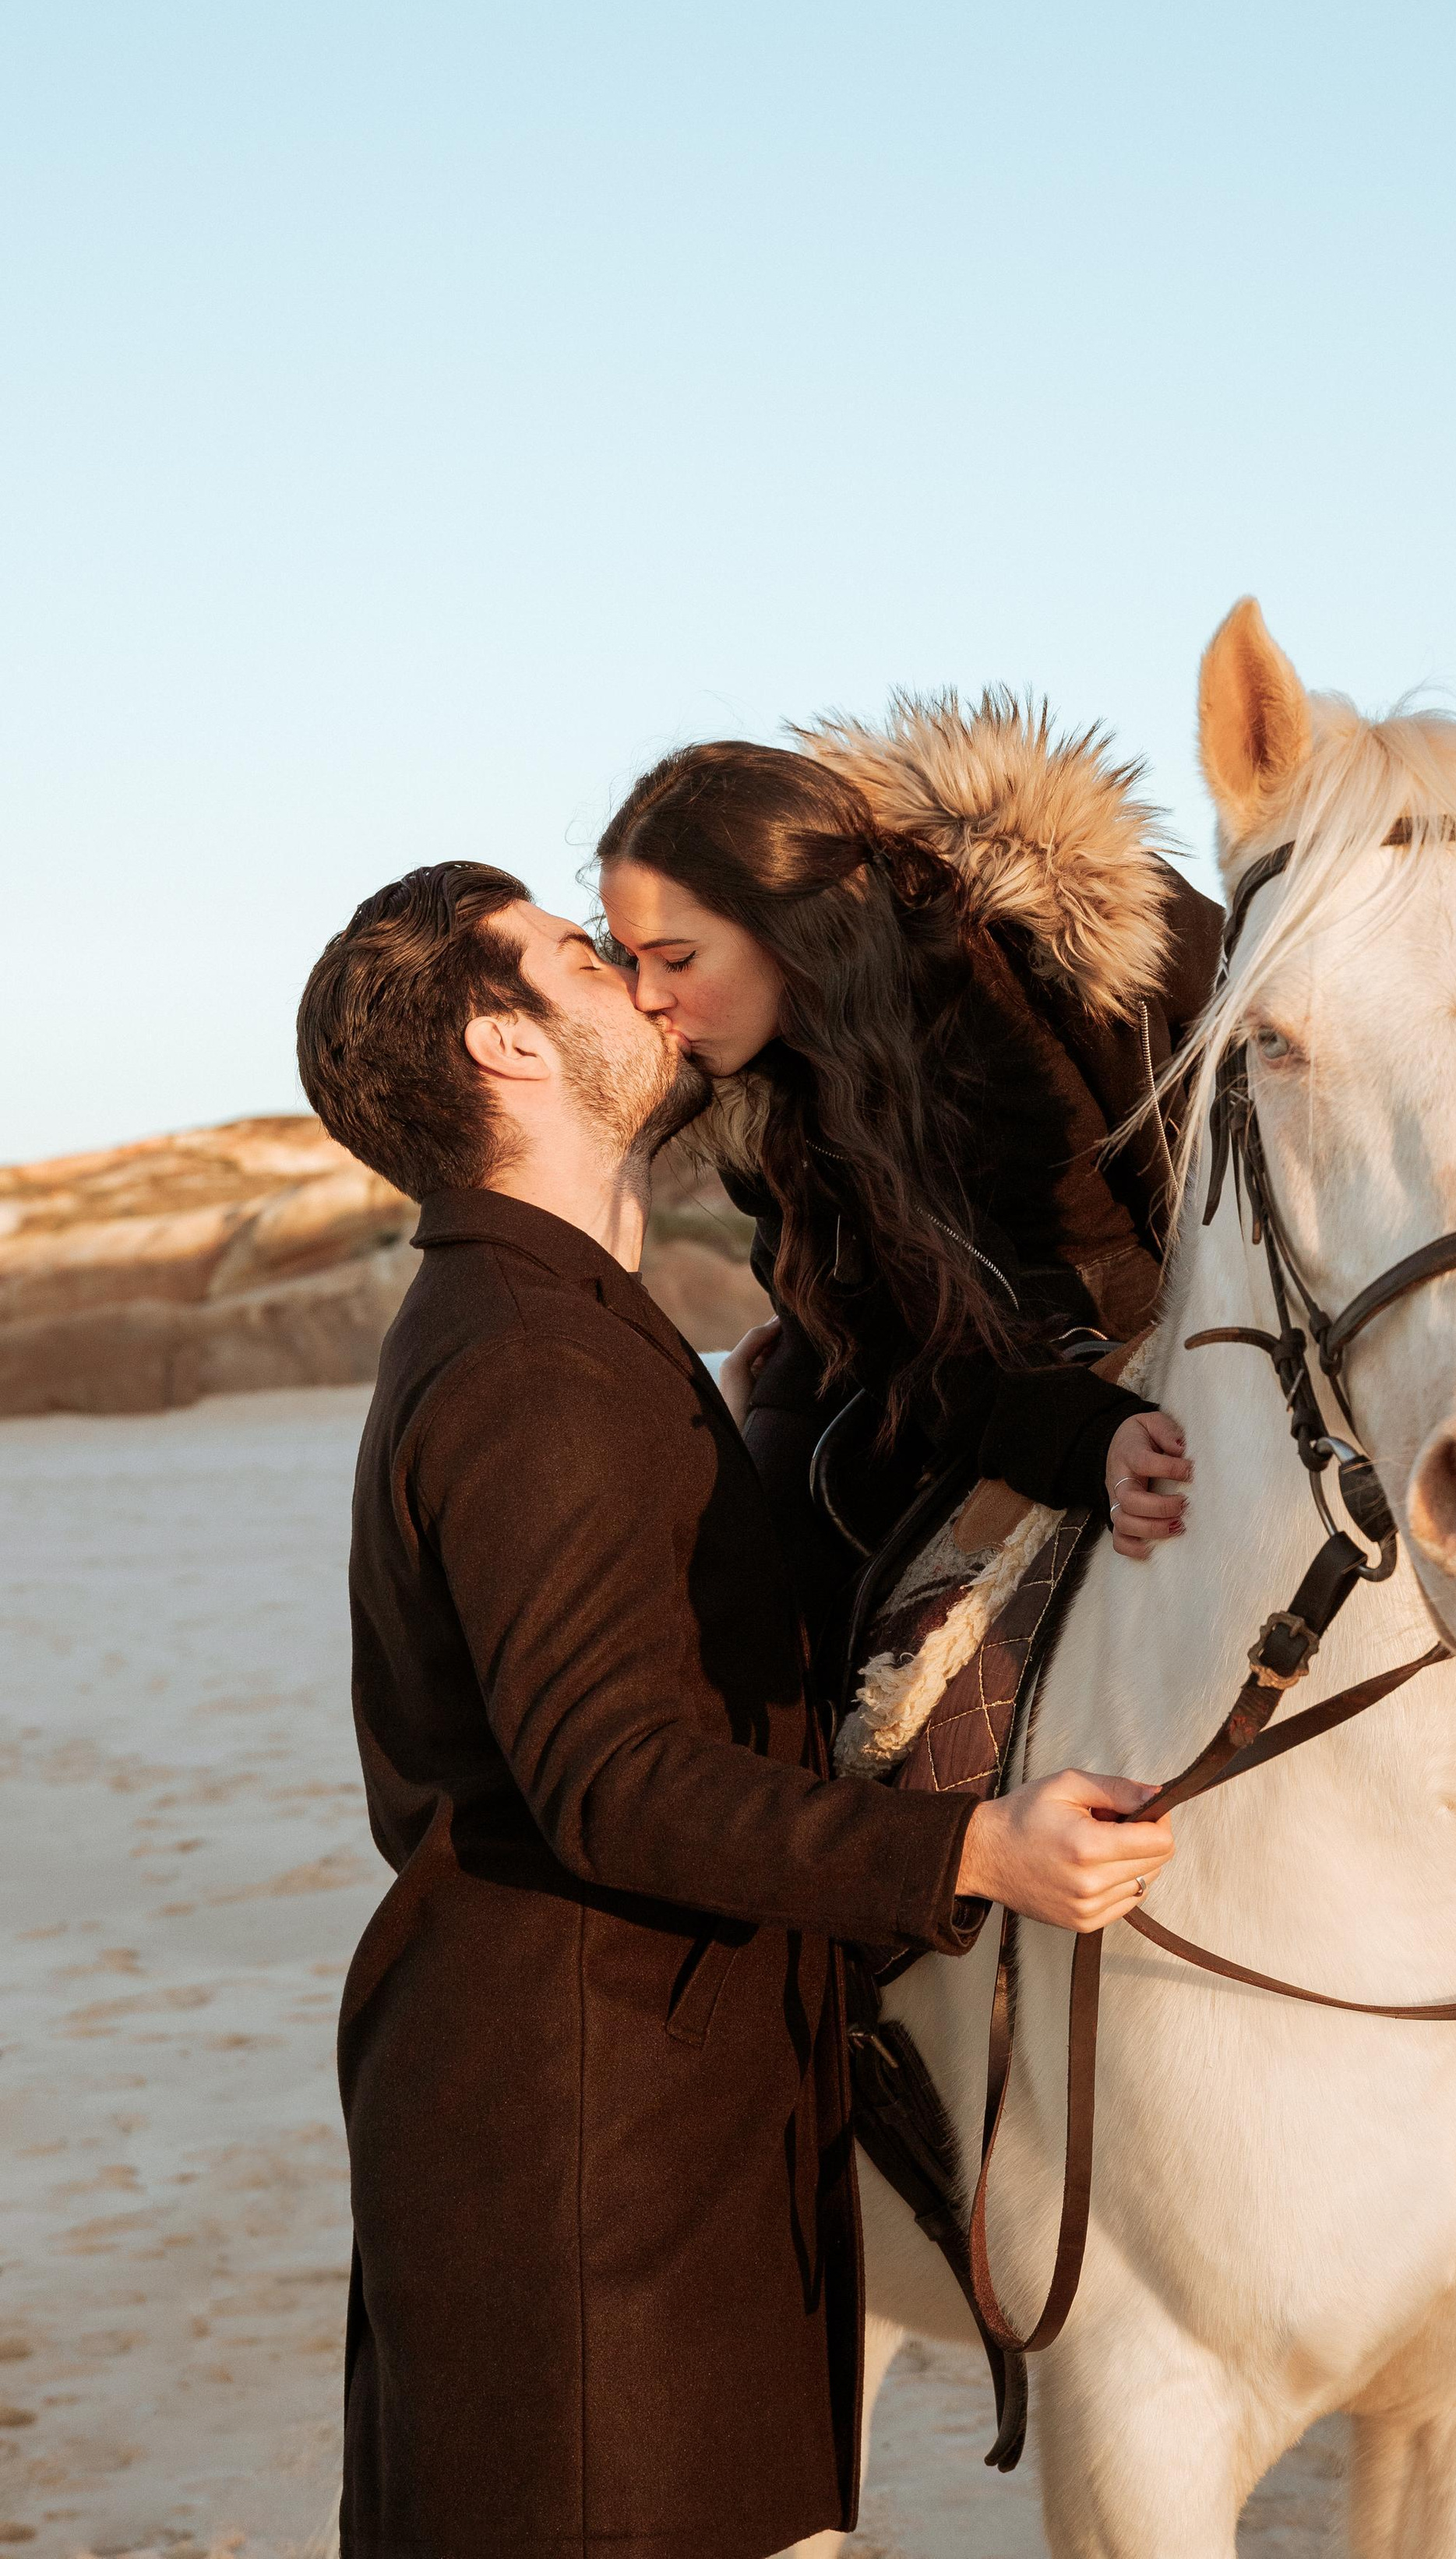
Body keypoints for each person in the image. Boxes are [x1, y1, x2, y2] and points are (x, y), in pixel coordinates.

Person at [295, 861, 1173, 2559]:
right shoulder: (524, 1368)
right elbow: (614, 1782)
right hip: (581, 2151)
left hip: (642, 2099)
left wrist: (1077, 1439)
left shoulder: (566, 1326)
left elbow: (867, 1399)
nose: (633, 970)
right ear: (506, 1044)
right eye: (575, 955)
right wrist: (971, 1851)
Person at [594, 697, 1225, 1651]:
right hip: (962, 1397)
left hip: (1215, 1320)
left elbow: (1301, 1076)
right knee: (757, 1608)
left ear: (789, 924)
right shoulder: (764, 1110)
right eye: (629, 959)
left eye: (676, 958)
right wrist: (1084, 1434)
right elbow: (918, 1343)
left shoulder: (1071, 939)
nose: (646, 998)